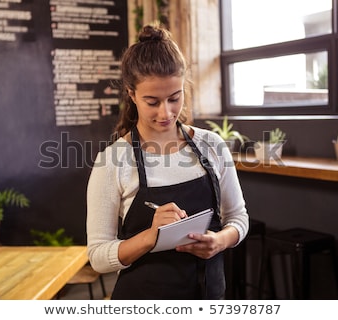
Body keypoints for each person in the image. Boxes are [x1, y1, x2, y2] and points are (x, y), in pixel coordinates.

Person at [86, 24, 249, 299]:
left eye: (175, 98)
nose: (166, 112)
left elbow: (238, 218)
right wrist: (151, 236)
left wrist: (219, 241)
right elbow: (98, 257)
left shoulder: (211, 145)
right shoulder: (113, 160)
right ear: (131, 93)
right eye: (153, 101)